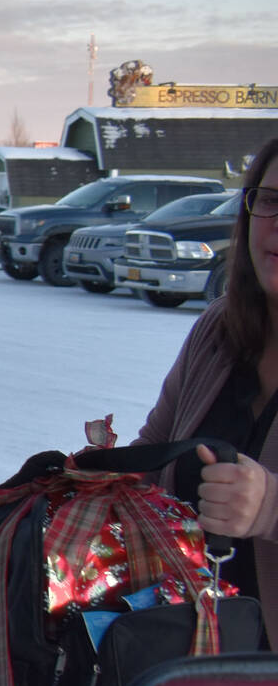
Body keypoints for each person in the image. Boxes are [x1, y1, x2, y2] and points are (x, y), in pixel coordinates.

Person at [136, 136, 278, 647]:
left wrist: (270, 507)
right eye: (271, 201)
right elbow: (152, 450)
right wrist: (83, 484)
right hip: (189, 660)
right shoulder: (220, 329)